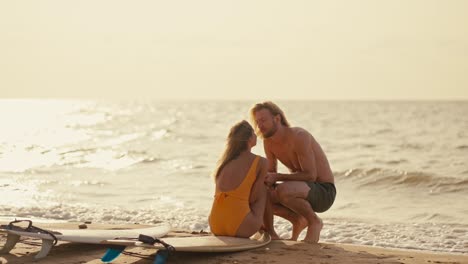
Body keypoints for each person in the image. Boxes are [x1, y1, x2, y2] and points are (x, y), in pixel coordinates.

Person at [250, 101, 336, 243]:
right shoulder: (269, 142)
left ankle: (314, 222)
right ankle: (297, 220)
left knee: (283, 189)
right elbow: (271, 175)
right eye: (257, 122)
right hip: (300, 190)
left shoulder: (299, 136)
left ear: (277, 119)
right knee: (261, 195)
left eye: (263, 120)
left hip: (324, 192)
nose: (260, 126)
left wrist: (277, 177)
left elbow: (310, 175)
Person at [209, 120, 268, 238]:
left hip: (215, 225)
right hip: (241, 226)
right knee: (265, 188)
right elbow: (254, 198)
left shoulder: (224, 163)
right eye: (253, 133)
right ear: (249, 139)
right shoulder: (260, 162)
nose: (256, 135)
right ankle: (269, 229)